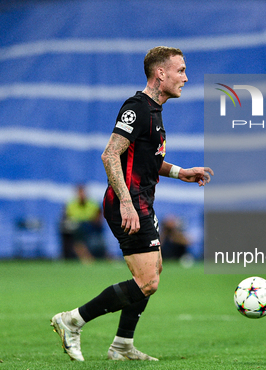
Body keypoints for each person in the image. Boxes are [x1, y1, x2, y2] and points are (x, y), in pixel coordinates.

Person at [51, 46, 214, 361]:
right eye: (180, 70)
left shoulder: (155, 111)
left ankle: (123, 345)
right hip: (127, 203)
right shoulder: (137, 108)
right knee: (148, 280)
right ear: (160, 73)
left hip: (141, 202)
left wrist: (181, 173)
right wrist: (126, 202)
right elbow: (110, 154)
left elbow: (148, 160)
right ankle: (72, 320)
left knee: (153, 273)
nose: (186, 77)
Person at [59, 184, 105, 263]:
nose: (81, 195)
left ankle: (84, 255)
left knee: (80, 231)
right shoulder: (71, 204)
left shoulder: (92, 203)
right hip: (76, 227)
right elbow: (66, 217)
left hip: (90, 226)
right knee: (71, 231)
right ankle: (79, 255)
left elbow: (98, 218)